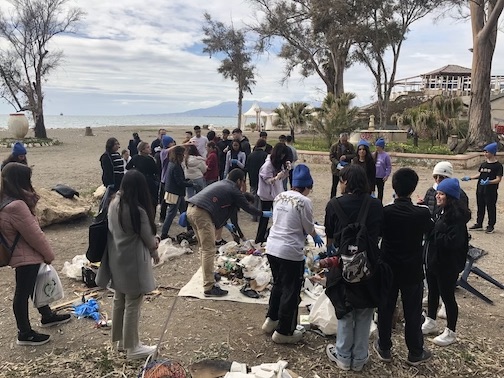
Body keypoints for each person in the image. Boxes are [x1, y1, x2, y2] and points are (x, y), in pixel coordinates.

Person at [0, 163, 71, 346]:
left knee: (32, 286)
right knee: (22, 293)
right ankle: (25, 333)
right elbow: (35, 235)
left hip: (23, 254)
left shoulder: (6, 200)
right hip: (25, 256)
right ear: (20, 180)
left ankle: (47, 315)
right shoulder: (16, 205)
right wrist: (48, 255)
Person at [324, 164, 383, 372]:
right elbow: (379, 234)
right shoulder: (375, 205)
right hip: (369, 265)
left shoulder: (334, 205)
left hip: (342, 264)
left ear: (346, 182)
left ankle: (342, 356)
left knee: (345, 308)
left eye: (341, 180)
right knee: (365, 309)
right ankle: (359, 358)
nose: (340, 184)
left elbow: (330, 238)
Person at [96, 170, 160, 360]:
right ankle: (133, 348)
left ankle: (120, 342)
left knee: (119, 299)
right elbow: (148, 239)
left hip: (117, 257)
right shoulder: (137, 210)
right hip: (134, 261)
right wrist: (155, 246)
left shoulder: (114, 203)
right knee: (133, 302)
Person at [376, 168, 434, 366]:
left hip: (388, 267)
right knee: (412, 311)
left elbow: (379, 234)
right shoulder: (422, 213)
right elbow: (430, 231)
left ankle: (384, 348)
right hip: (412, 269)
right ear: (413, 188)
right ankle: (415, 352)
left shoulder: (385, 211)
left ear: (394, 187)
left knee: (385, 308)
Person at [262, 164, 324, 344]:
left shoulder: (280, 196)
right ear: (306, 186)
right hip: (289, 251)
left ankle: (271, 320)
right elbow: (307, 225)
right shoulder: (304, 202)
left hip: (272, 247)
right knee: (291, 290)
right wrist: (314, 235)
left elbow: (278, 220)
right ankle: (284, 331)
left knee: (279, 284)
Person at [186, 168, 265, 297]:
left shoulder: (222, 184)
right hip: (202, 213)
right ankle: (209, 287)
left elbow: (220, 211)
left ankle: (209, 276)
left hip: (191, 209)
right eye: (243, 181)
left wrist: (226, 225)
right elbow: (248, 207)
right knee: (208, 250)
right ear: (239, 180)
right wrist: (262, 214)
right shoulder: (233, 189)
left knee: (203, 248)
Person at [422, 178, 471, 346]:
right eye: (438, 193)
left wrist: (432, 234)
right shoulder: (440, 211)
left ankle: (450, 331)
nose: (437, 196)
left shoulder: (456, 218)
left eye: (441, 194)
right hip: (433, 262)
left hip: (446, 265)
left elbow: (453, 242)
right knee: (433, 293)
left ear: (450, 197)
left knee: (447, 297)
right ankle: (431, 321)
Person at [462, 142, 503, 233]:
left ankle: (490, 225)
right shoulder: (483, 164)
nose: (485, 154)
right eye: (484, 152)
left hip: (491, 191)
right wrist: (470, 178)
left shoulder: (498, 166)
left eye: (487, 152)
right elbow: (480, 174)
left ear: (492, 153)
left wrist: (489, 182)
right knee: (480, 207)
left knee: (490, 208)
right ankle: (479, 223)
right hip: (480, 189)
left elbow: (498, 179)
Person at [256, 143, 290, 244]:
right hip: (266, 196)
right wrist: (277, 177)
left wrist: (286, 170)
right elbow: (268, 181)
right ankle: (259, 239)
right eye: (282, 155)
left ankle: (274, 236)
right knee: (264, 219)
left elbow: (281, 178)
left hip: (276, 194)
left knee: (278, 217)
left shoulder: (278, 163)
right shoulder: (267, 165)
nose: (283, 157)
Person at [160, 146, 193, 240]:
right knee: (171, 214)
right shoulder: (176, 166)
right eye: (183, 154)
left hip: (173, 191)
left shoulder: (172, 163)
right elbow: (179, 182)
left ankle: (190, 229)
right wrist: (191, 184)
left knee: (184, 211)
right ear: (179, 155)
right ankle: (164, 233)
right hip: (175, 193)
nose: (184, 156)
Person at [126, 142, 159, 212]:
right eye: (147, 147)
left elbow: (128, 167)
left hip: (137, 180)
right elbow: (156, 171)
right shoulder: (149, 159)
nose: (150, 148)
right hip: (149, 181)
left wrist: (136, 170)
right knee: (152, 200)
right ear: (142, 150)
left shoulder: (135, 157)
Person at [245, 139, 268, 221]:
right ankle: (259, 216)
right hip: (261, 180)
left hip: (252, 178)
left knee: (253, 196)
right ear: (264, 146)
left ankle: (253, 215)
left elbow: (247, 167)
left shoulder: (251, 155)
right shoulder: (265, 155)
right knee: (261, 197)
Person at [329, 133, 355, 199]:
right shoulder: (334, 146)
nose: (344, 142)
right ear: (340, 139)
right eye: (343, 140)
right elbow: (331, 157)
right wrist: (337, 163)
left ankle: (346, 198)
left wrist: (346, 157)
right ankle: (332, 198)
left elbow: (354, 155)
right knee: (334, 185)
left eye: (345, 141)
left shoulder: (350, 146)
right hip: (336, 169)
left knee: (346, 184)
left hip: (346, 169)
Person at [157, 135, 176, 222]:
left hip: (172, 178)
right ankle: (162, 217)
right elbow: (171, 149)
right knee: (165, 199)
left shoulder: (172, 152)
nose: (173, 143)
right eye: (171, 142)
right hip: (165, 179)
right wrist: (186, 144)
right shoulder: (163, 152)